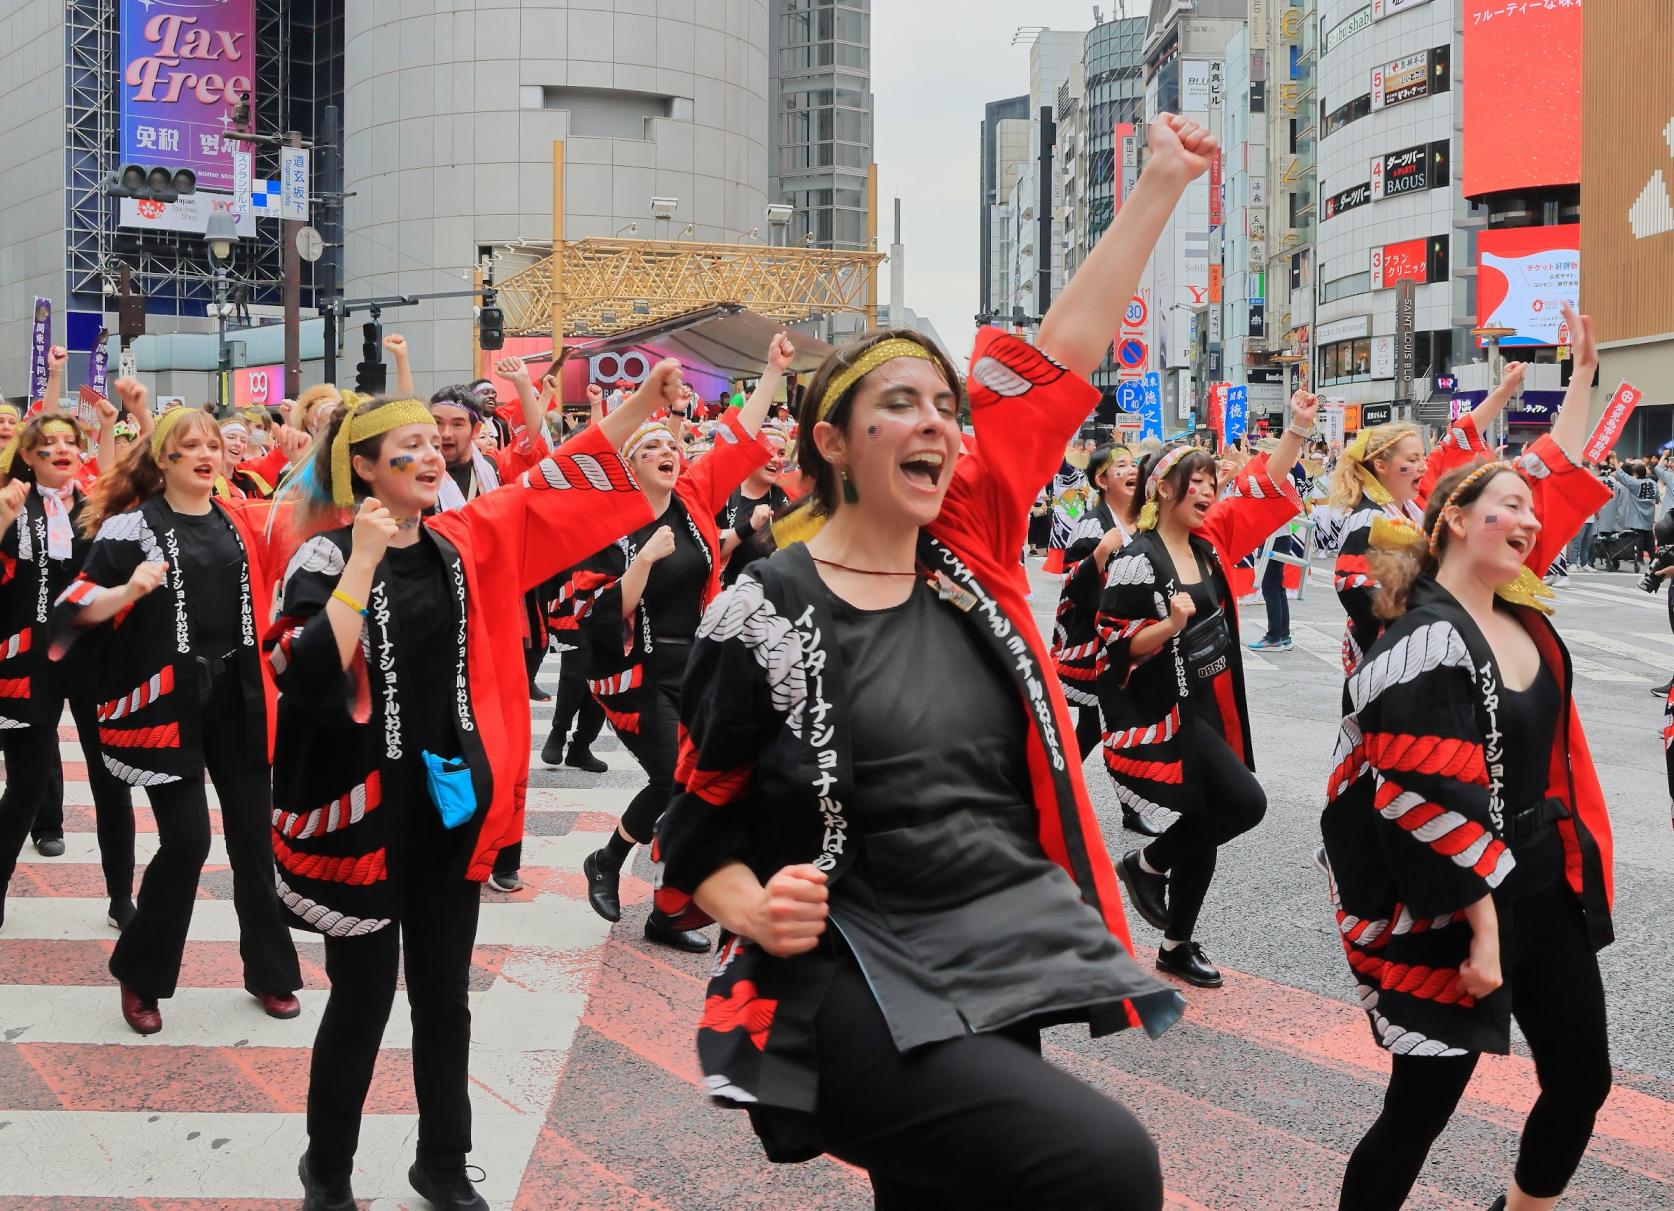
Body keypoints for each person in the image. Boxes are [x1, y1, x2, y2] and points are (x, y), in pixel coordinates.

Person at [649, 113, 1219, 1211]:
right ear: (829, 440)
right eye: (899, 404)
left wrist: (1159, 186)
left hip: (996, 949)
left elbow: (1063, 351)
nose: (939, 425)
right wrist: (751, 904)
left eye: (948, 408)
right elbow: (693, 826)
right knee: (1105, 1165)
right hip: (851, 973)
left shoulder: (970, 549)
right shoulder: (761, 612)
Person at [266, 370, 671, 1211]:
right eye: (404, 447)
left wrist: (647, 403)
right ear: (363, 471)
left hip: (445, 805)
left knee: (443, 997)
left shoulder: (459, 541)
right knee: (366, 998)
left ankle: (442, 1163)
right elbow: (302, 671)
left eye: (431, 442)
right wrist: (364, 561)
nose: (428, 454)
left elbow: (553, 488)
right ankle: (327, 1170)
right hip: (359, 815)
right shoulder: (325, 553)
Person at [1322, 448, 1615, 1211]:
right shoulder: (1422, 638)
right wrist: (1486, 929)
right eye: (1508, 505)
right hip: (1453, 904)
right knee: (1420, 1109)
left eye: (1531, 509)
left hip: (1545, 879)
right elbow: (1424, 795)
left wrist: (1576, 377)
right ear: (1453, 516)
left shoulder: (1522, 615)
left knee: (1583, 1081)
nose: (1528, 520)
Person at [50, 382, 302, 1035]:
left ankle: (271, 974)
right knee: (188, 841)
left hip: (238, 699)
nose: (204, 453)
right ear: (162, 459)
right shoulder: (131, 528)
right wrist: (128, 589)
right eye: (188, 445)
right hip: (168, 703)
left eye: (212, 444)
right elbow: (72, 609)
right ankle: (142, 975)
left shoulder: (241, 516)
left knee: (253, 841)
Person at [572, 334, 792, 953]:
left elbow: (735, 437)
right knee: (671, 778)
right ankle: (607, 859)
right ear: (630, 463)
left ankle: (668, 913)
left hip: (696, 666)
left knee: (706, 785)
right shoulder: (608, 523)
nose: (669, 451)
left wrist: (771, 372)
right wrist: (638, 569)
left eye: (673, 446)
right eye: (653, 447)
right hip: (634, 671)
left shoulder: (693, 502)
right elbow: (588, 613)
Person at [1101, 396, 1316, 989]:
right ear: (1162, 490)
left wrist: (1296, 429)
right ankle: (1144, 864)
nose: (1207, 493)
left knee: (1207, 813)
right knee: (1245, 803)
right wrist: (1166, 628)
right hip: (1168, 712)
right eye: (1194, 483)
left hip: (1216, 701)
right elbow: (1113, 644)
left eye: (1210, 484)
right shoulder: (1134, 558)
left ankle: (1175, 944)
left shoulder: (1208, 542)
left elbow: (1261, 484)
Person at [0, 408, 137, 932]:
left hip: (93, 660)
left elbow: (126, 483)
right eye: (47, 444)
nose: (60, 449)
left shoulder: (94, 508)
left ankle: (121, 896)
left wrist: (125, 420)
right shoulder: (14, 504)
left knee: (111, 782)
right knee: (27, 784)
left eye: (69, 442)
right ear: (29, 458)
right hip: (28, 661)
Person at [1328, 367, 1521, 675]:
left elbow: (1459, 439)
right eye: (1412, 460)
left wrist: (1504, 390)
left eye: (1422, 457)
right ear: (1381, 465)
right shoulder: (1367, 518)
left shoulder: (1413, 504)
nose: (1422, 466)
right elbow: (1352, 586)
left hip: (1422, 641)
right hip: (1387, 649)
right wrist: (1411, 620)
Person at [1050, 442, 1159, 831]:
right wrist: (1098, 556)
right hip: (1094, 642)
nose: (1132, 470)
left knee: (1108, 725)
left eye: (1134, 464)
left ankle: (1055, 791)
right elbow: (1071, 588)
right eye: (1122, 466)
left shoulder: (1147, 519)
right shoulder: (1093, 526)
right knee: (1107, 725)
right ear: (1101, 480)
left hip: (1134, 638)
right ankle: (1062, 793)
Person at [717, 420, 792, 587]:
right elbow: (708, 549)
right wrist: (749, 526)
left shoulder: (790, 495)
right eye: (768, 451)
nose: (776, 459)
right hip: (731, 601)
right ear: (751, 453)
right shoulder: (724, 496)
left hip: (778, 603)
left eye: (781, 453)